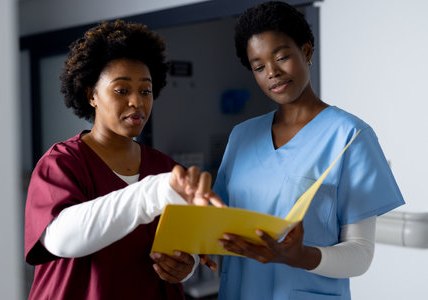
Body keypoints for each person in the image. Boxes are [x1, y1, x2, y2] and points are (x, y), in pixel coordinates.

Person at [214, 2, 405, 299]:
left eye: (282, 57)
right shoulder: (242, 137)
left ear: (306, 52)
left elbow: (361, 254)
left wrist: (300, 256)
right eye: (259, 67)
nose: (272, 73)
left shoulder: (350, 136)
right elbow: (218, 226)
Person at [24, 20, 222, 300]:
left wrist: (184, 267)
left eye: (145, 91)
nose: (137, 103)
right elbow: (60, 239)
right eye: (121, 90)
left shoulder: (163, 167)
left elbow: (178, 246)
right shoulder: (62, 162)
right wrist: (151, 192)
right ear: (91, 94)